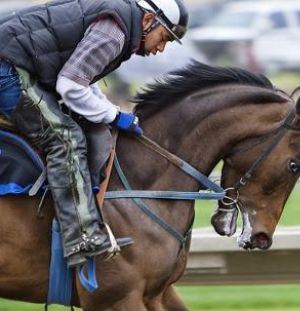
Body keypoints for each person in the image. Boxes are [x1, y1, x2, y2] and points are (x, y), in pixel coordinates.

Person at [0, 0, 189, 268]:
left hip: (15, 63)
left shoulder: (119, 26)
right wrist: (114, 115)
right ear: (148, 21)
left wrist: (111, 111)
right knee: (65, 140)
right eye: (164, 38)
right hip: (7, 69)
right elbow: (70, 86)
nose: (161, 48)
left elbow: (82, 81)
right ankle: (82, 236)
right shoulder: (115, 33)